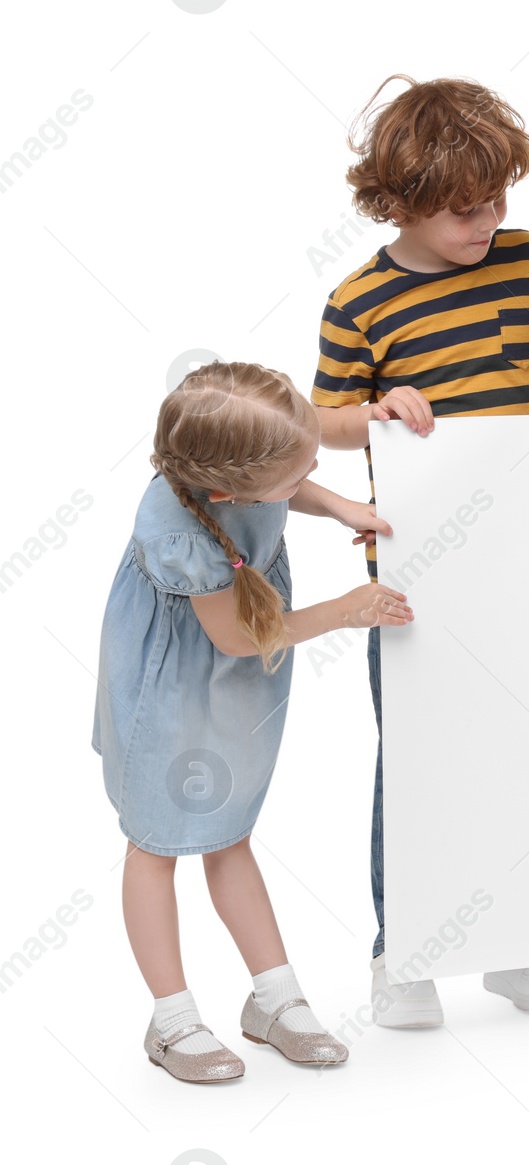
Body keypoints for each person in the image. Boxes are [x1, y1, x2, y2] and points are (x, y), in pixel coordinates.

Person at [314, 74, 529, 1027]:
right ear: (396, 202)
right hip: (416, 580)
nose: (489, 221)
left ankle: (515, 941)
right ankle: (405, 951)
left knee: (527, 752)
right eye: (464, 210)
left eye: (498, 200)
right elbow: (320, 423)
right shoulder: (358, 304)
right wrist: (375, 411)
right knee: (421, 763)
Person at [95, 361, 411, 1082]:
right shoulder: (176, 528)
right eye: (297, 473)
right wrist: (347, 609)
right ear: (229, 490)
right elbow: (235, 636)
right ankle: (171, 1017)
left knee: (228, 826)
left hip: (234, 675)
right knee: (157, 840)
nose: (308, 475)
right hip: (174, 680)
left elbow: (289, 481)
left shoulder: (248, 470)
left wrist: (341, 508)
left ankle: (273, 995)